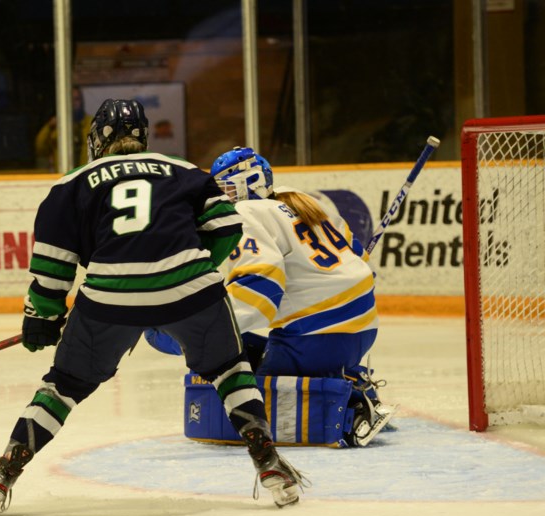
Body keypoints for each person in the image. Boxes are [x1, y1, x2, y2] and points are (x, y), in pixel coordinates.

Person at [0, 100, 306, 516]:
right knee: (231, 370)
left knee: (63, 387)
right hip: (193, 291)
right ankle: (270, 464)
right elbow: (228, 227)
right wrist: (192, 270)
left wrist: (45, 317)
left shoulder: (69, 185)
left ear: (97, 140)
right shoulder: (181, 169)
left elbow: (53, 268)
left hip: (110, 301)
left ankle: (1, 476)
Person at [147, 147, 391, 446]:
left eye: (224, 188)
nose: (220, 197)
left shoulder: (244, 213)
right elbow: (355, 255)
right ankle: (351, 378)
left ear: (244, 185)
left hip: (318, 335)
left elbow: (260, 289)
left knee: (249, 405)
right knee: (248, 348)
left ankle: (351, 409)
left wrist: (200, 334)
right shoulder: (299, 199)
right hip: (361, 327)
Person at [34, 87, 93, 171]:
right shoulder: (59, 126)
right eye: (70, 99)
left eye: (76, 99)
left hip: (86, 175)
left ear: (82, 102)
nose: (73, 103)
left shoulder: (91, 124)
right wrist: (48, 127)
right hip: (64, 176)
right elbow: (40, 149)